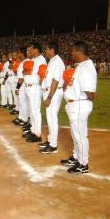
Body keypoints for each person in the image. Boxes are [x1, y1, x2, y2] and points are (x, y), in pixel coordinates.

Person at [61, 41, 97, 174]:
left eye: (73, 51)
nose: (71, 53)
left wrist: (90, 96)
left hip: (80, 104)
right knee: (75, 134)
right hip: (75, 104)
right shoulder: (80, 66)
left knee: (80, 136)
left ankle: (83, 164)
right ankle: (76, 157)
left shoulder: (87, 67)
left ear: (79, 52)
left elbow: (90, 92)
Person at [38, 42, 65, 154]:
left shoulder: (57, 62)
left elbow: (56, 80)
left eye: (47, 49)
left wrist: (49, 97)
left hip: (53, 92)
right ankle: (50, 141)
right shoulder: (52, 61)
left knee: (52, 118)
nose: (45, 51)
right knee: (50, 118)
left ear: (52, 50)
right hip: (50, 91)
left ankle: (53, 145)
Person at [22, 42, 46, 142]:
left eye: (31, 49)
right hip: (29, 87)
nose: (29, 51)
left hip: (35, 87)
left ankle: (37, 134)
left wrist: (40, 86)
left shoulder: (41, 60)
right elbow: (27, 72)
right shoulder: (33, 59)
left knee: (35, 111)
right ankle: (33, 130)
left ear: (36, 49)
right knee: (32, 111)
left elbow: (42, 74)